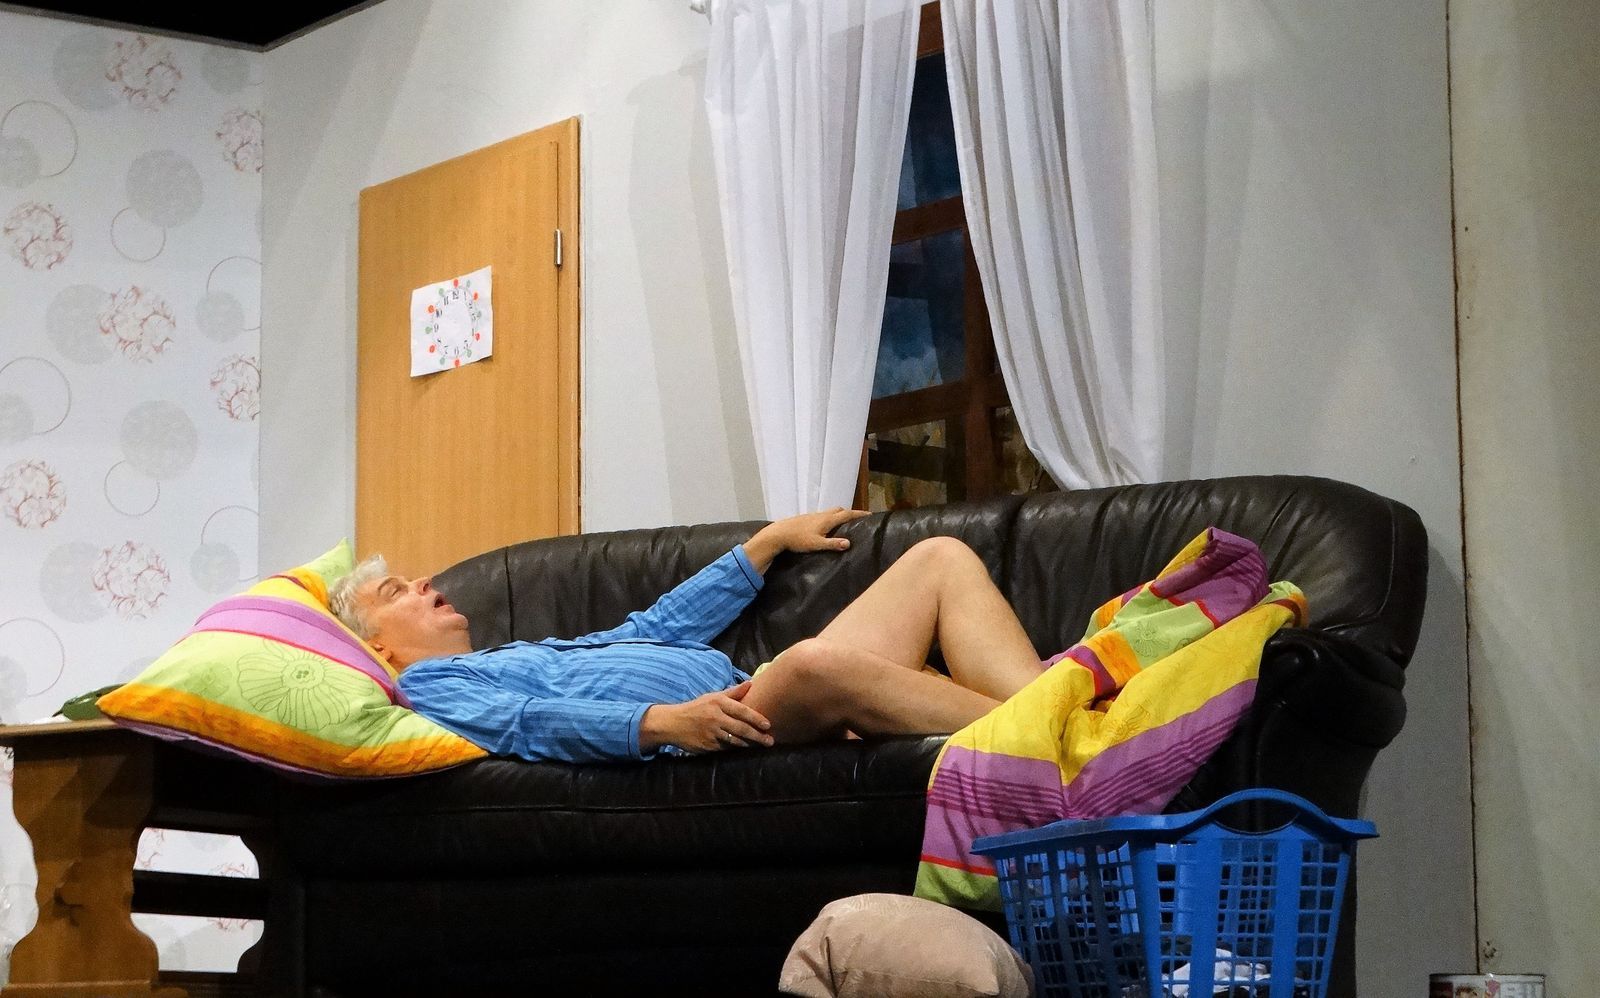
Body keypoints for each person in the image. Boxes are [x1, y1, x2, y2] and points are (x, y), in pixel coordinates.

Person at [329, 509, 1047, 763]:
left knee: (938, 559)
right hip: (706, 741)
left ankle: (1058, 703)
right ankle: (1056, 729)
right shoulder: (428, 686)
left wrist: (764, 545)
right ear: (377, 648)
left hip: (749, 696)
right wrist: (663, 722)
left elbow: (651, 630)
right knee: (810, 664)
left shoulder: (511, 655)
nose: (423, 584)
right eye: (398, 592)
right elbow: (530, 724)